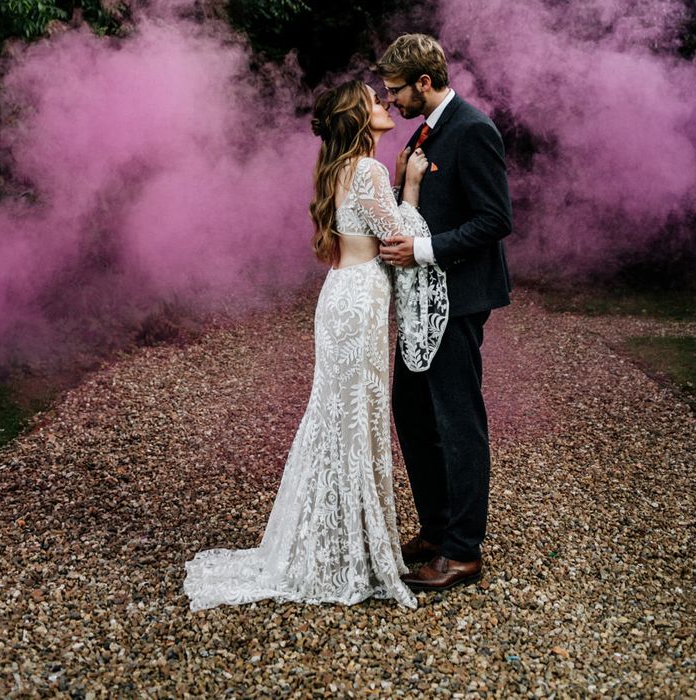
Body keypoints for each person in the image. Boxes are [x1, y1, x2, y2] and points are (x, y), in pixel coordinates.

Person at [183, 79, 446, 611]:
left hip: (341, 297)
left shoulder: (338, 170)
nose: (383, 104)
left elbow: (366, 227)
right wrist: (411, 185)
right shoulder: (368, 169)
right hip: (360, 300)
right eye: (375, 101)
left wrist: (394, 180)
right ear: (359, 117)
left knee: (338, 415)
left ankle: (336, 544)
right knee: (354, 415)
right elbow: (397, 238)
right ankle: (349, 553)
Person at [375, 34, 513, 591]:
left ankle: (462, 550)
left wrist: (422, 251)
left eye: (395, 92)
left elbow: (495, 219)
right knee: (411, 410)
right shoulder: (426, 129)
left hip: (457, 301)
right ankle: (434, 528)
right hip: (420, 301)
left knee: (458, 419)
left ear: (424, 83)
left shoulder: (475, 130)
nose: (390, 103)